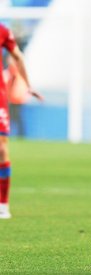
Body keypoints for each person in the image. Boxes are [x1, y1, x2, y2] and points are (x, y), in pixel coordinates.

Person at [0, 23, 43, 219]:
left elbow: (18, 56)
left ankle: (3, 204)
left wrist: (28, 84)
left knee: (1, 148)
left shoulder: (3, 30)